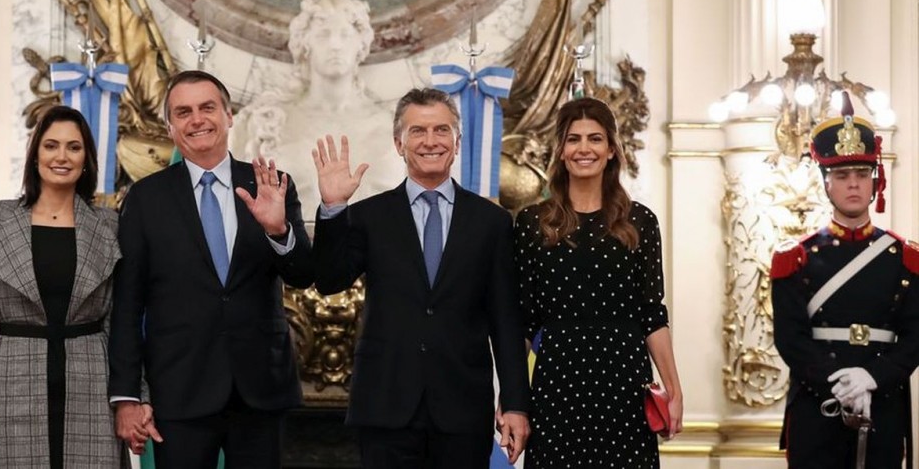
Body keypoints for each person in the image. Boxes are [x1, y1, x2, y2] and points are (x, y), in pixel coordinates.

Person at [310, 87, 530, 469]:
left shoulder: (491, 222)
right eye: (418, 131)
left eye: (441, 130)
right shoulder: (368, 216)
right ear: (399, 143)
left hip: (462, 408)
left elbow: (506, 320)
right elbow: (329, 280)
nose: (431, 141)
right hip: (386, 406)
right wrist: (332, 208)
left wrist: (515, 403)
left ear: (457, 142)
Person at [109, 70, 314, 468]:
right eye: (183, 112)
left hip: (260, 387)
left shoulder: (269, 184)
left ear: (229, 115)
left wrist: (278, 230)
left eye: (207, 107)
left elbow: (303, 274)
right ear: (170, 126)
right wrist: (127, 396)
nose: (197, 119)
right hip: (180, 389)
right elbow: (128, 305)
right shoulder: (145, 199)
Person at [514, 96, 683, 468]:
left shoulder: (640, 222)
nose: (584, 148)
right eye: (573, 139)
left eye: (595, 138)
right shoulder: (531, 223)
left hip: (624, 382)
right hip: (557, 384)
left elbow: (652, 314)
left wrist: (673, 388)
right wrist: (511, 398)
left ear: (611, 150)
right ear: (560, 151)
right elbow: (523, 321)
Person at [0, 105, 125, 468]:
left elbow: (121, 322)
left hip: (92, 381)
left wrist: (131, 396)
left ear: (87, 158)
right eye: (51, 146)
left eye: (74, 147)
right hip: (13, 380)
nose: (62, 156)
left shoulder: (109, 225)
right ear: (35, 156)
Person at [771, 92, 919, 468]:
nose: (853, 184)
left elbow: (915, 337)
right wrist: (840, 384)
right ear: (826, 182)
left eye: (860, 174)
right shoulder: (795, 258)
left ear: (874, 182)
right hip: (817, 404)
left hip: (882, 404)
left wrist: (871, 378)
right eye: (841, 175)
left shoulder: (906, 258)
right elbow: (790, 338)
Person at [231, 0, 404, 210]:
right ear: (305, 43)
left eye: (345, 34)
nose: (335, 45)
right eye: (324, 34)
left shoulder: (392, 124)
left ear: (361, 44)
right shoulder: (265, 122)